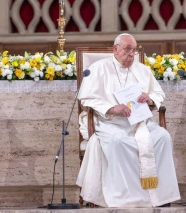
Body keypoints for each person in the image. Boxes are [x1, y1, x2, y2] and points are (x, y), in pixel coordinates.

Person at [76, 33, 180, 207]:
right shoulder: (99, 68)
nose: (132, 54)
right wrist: (112, 108)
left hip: (140, 123)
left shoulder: (142, 69)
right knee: (119, 142)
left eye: (134, 50)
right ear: (116, 49)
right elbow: (86, 99)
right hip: (110, 123)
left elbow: (158, 93)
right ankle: (124, 198)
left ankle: (158, 196)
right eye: (127, 49)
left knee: (163, 137)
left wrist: (150, 99)